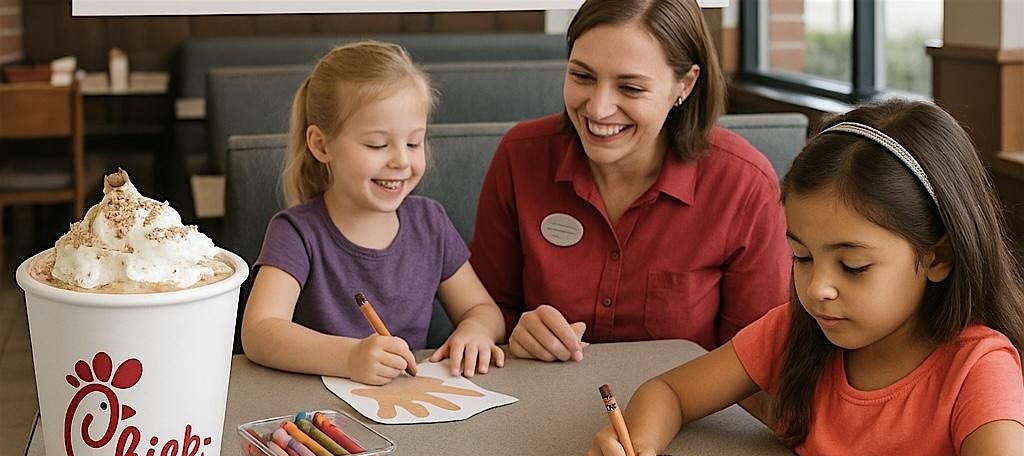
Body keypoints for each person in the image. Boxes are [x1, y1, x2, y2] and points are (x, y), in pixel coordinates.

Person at [587, 100, 1024, 456]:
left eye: (854, 266)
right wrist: (634, 448)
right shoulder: (796, 332)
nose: (818, 288)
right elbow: (671, 391)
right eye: (801, 257)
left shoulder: (977, 365)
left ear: (937, 256)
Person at [470, 0, 790, 363]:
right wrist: (515, 333)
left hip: (692, 413)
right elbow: (484, 309)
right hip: (539, 397)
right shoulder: (520, 157)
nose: (598, 108)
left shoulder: (743, 185)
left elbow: (757, 359)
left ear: (684, 84)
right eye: (583, 77)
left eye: (631, 88)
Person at [242, 41, 505, 385]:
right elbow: (259, 332)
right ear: (322, 145)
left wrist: (475, 331)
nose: (400, 160)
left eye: (413, 143)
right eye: (377, 145)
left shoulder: (431, 223)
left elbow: (484, 311)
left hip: (408, 405)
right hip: (319, 412)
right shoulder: (296, 232)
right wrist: (349, 358)